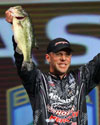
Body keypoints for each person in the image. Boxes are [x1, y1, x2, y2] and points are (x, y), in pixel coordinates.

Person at [5, 11, 100, 125]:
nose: (63, 58)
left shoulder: (81, 79)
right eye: (58, 54)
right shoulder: (37, 81)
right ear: (48, 57)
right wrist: (17, 28)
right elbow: (23, 60)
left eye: (67, 54)